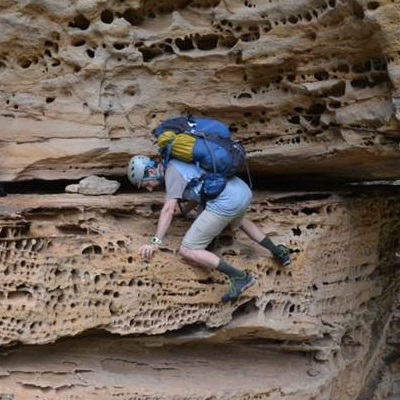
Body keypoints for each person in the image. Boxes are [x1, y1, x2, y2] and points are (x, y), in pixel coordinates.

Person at [128, 155, 291, 303]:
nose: (148, 188)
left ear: (151, 171)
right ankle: (279, 252)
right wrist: (184, 211)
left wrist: (154, 242)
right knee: (238, 219)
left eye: (145, 183)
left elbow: (167, 210)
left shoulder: (171, 172)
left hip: (226, 201)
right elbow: (200, 189)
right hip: (241, 192)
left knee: (188, 248)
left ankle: (239, 277)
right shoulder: (178, 163)